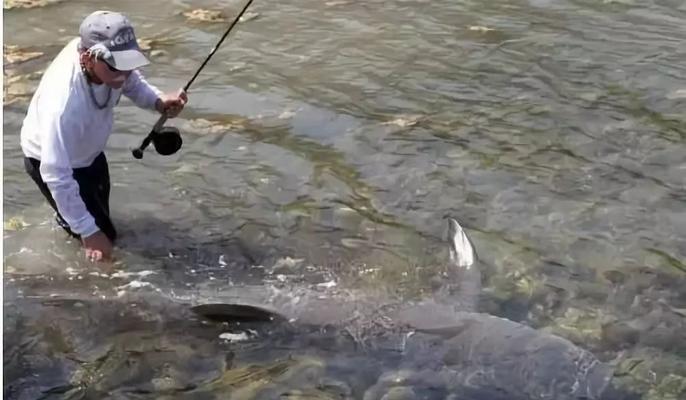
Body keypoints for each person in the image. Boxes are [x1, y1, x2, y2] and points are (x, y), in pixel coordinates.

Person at [20, 10, 188, 262]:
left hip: (89, 153)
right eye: (116, 67)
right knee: (104, 241)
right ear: (87, 58)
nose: (124, 74)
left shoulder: (108, 66)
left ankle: (67, 222)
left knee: (102, 224)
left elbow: (130, 81)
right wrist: (89, 232)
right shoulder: (64, 106)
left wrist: (157, 100)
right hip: (52, 161)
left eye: (129, 64)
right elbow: (55, 174)